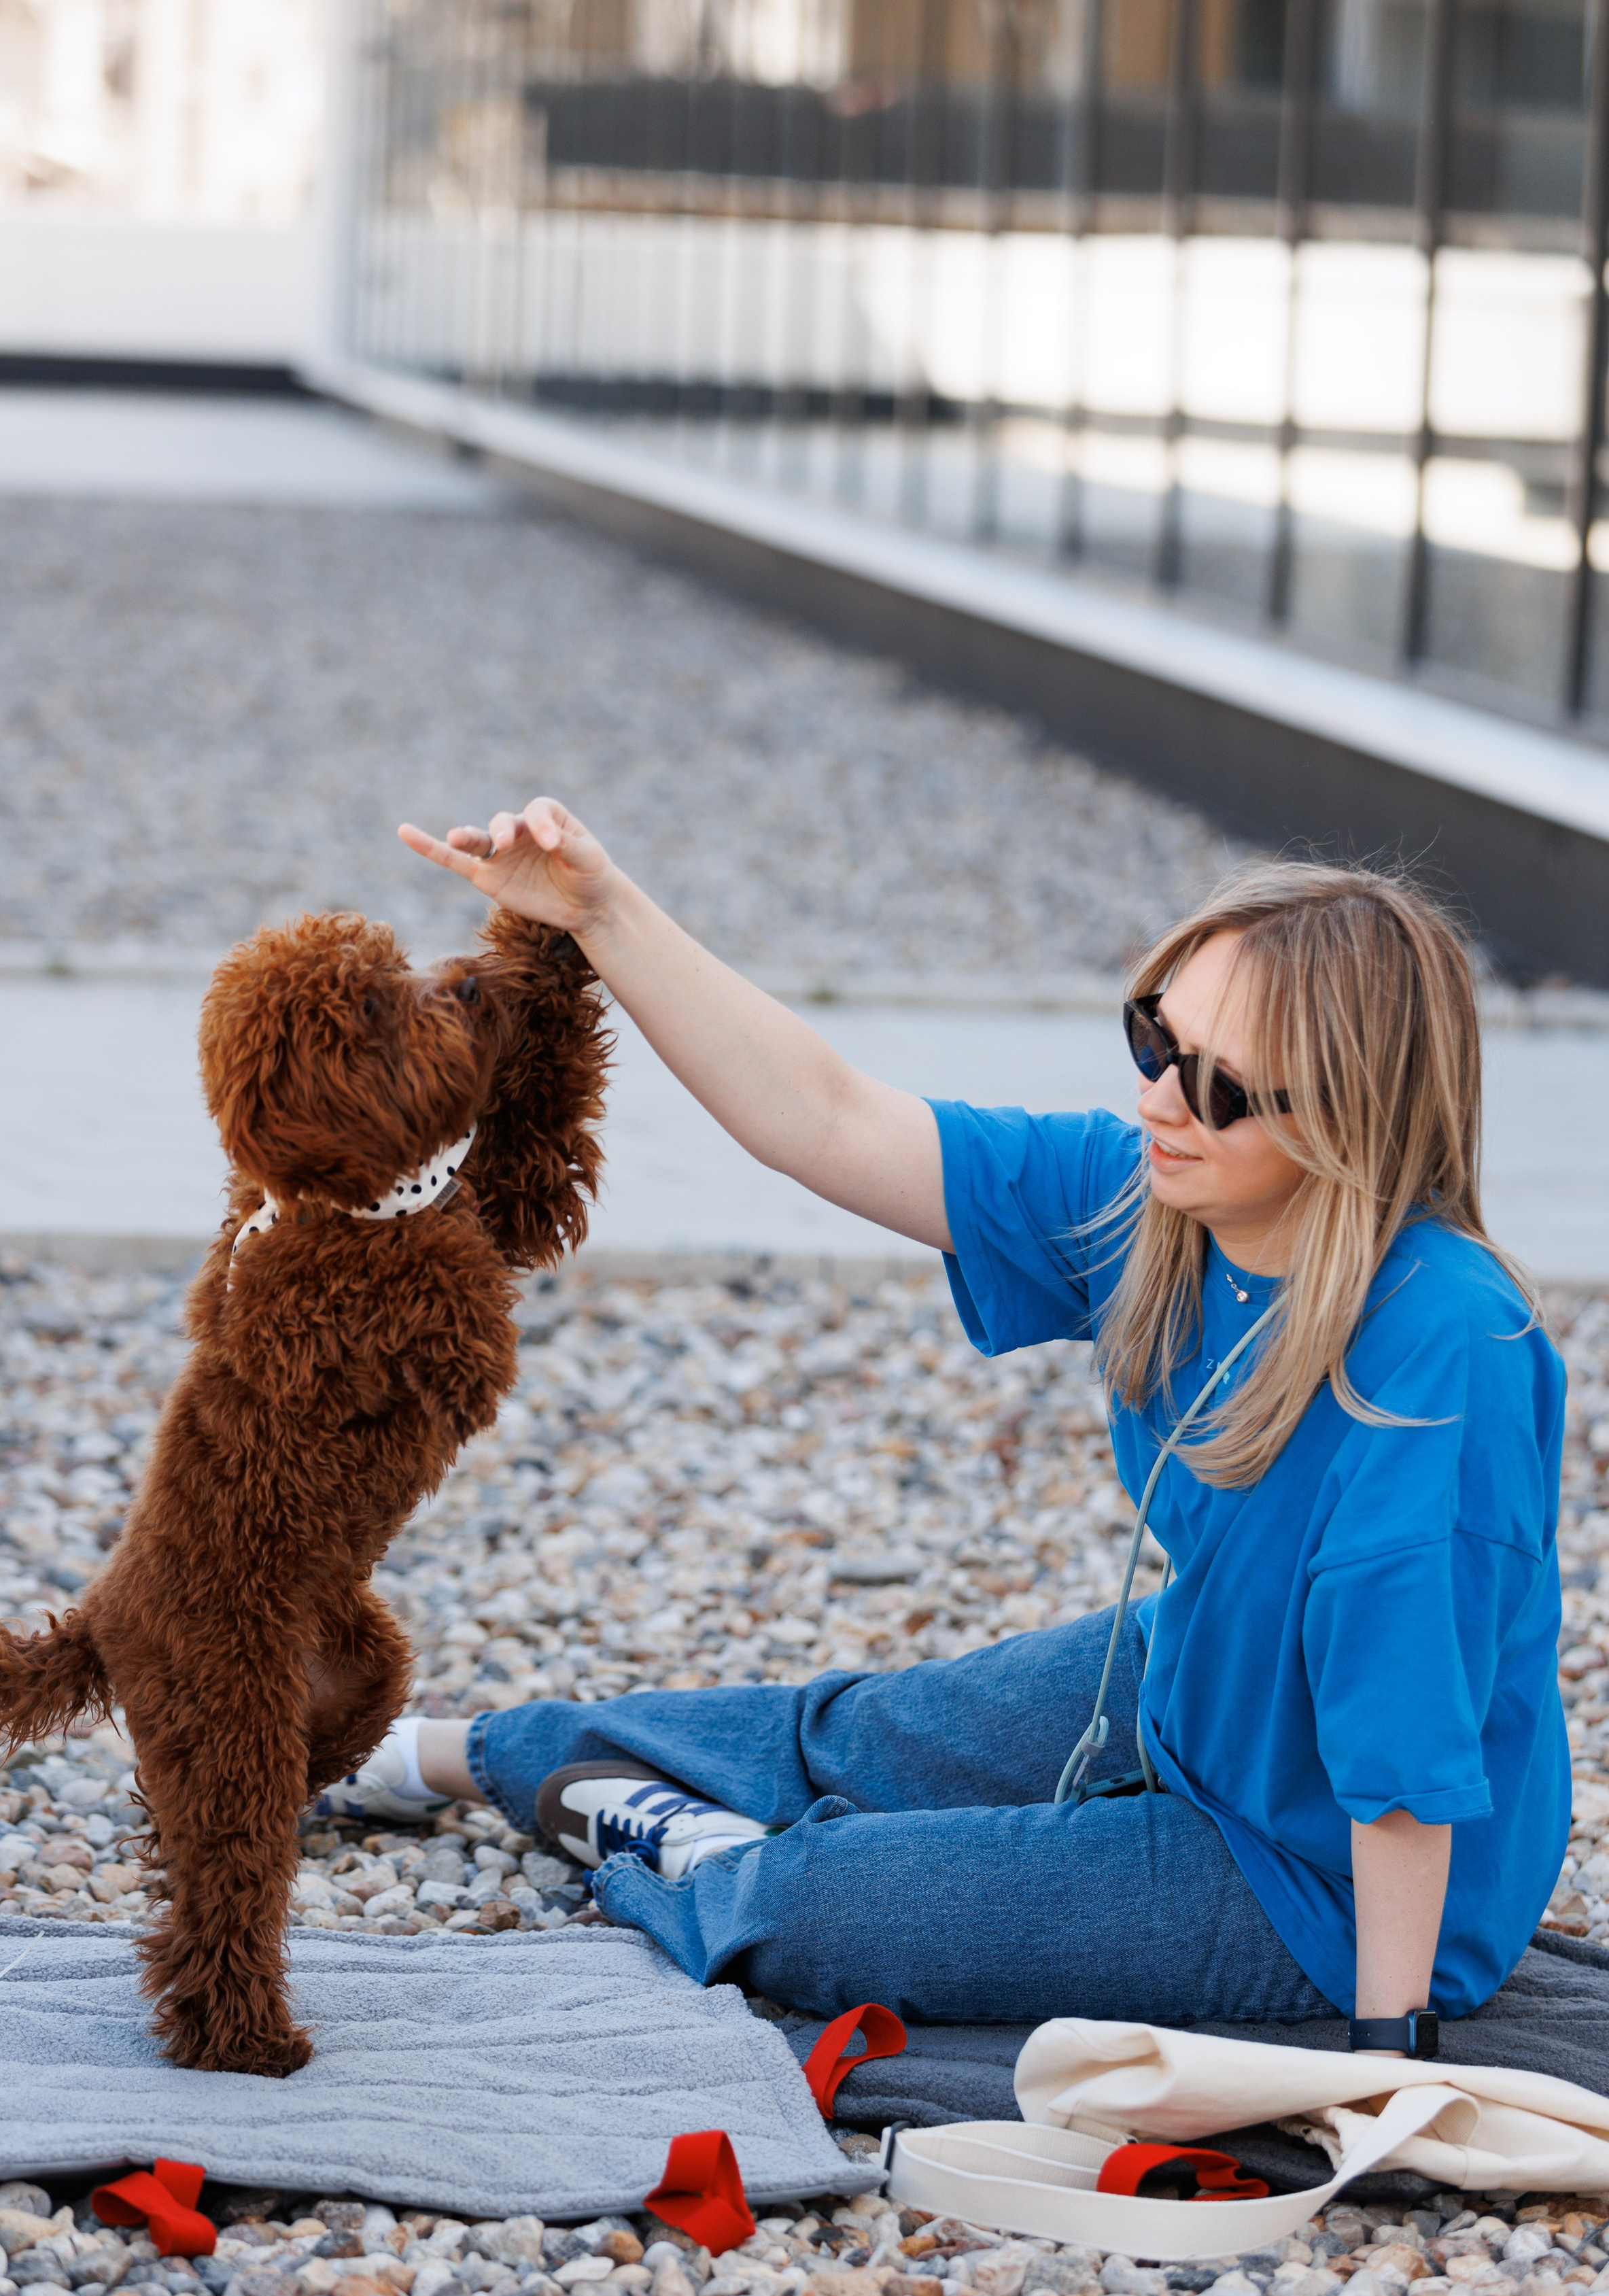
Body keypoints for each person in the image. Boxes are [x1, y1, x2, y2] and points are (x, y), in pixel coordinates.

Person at [320, 800, 1569, 2044]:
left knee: (815, 1911)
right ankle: (444, 1753)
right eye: (1154, 1037)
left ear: (1349, 1110)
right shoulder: (1160, 1201)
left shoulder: (1444, 1350)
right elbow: (829, 1118)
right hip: (1206, 1676)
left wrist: (1389, 2047)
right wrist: (602, 911)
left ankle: (712, 1860)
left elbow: (1403, 1755)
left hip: (1326, 1886)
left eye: (1218, 1084)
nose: (1160, 1101)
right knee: (864, 1734)